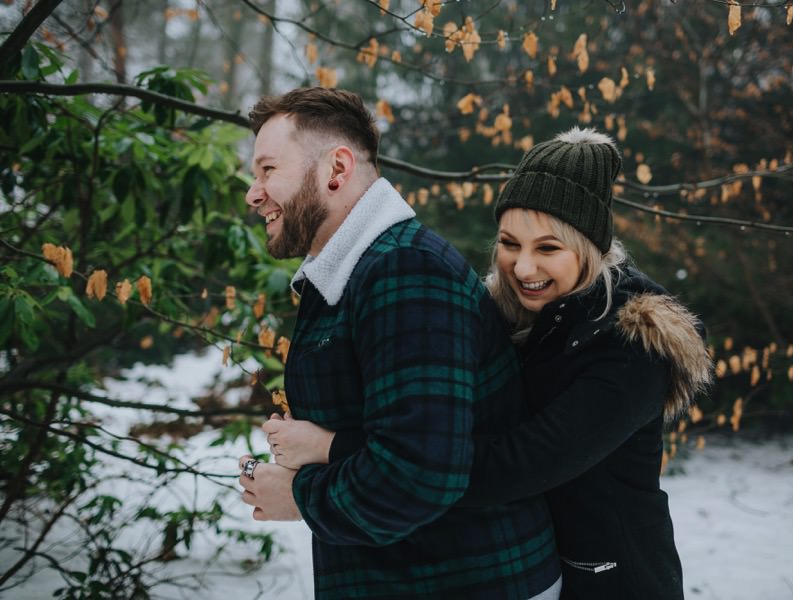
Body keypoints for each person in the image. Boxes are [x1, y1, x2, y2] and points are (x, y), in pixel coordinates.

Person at [264, 127, 713, 599]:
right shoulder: (505, 318)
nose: (522, 267)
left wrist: (334, 450)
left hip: (616, 580)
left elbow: (519, 462)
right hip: (538, 568)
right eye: (509, 243)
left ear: (589, 249)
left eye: (548, 248)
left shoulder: (632, 346)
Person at [236, 87, 561, 600]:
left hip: (468, 582)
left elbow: (418, 474)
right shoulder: (353, 273)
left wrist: (299, 495)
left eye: (268, 170)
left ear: (335, 170)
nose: (254, 193)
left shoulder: (407, 271)